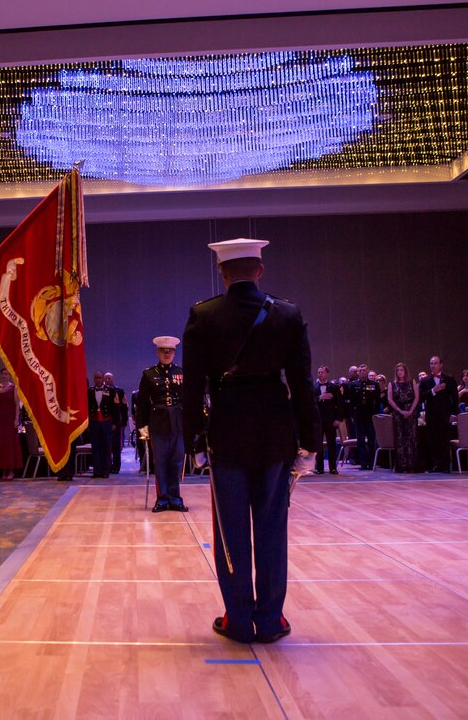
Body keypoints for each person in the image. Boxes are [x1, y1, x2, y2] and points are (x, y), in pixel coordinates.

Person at [182, 237, 319, 645]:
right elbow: (302, 384)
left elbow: (193, 389)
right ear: (259, 271)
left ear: (222, 272)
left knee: (232, 532)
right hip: (276, 435)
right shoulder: (288, 316)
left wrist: (193, 444)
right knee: (272, 529)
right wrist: (311, 442)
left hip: (227, 436)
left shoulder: (203, 316)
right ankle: (271, 619)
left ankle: (238, 618)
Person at [134, 336, 187, 513]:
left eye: (170, 350)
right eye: (163, 351)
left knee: (177, 461)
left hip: (178, 424)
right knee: (161, 462)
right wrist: (142, 425)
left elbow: (187, 400)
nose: (167, 353)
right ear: (158, 352)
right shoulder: (149, 374)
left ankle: (175, 498)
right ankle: (162, 499)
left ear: (174, 352)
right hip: (158, 424)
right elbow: (142, 403)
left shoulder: (181, 372)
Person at [420, 356, 458, 473]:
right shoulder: (425, 380)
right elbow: (421, 396)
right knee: (433, 439)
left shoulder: (449, 378)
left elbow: (455, 397)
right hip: (431, 414)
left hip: (445, 414)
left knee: (444, 439)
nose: (433, 366)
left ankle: (446, 465)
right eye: (431, 363)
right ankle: (435, 464)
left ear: (441, 364)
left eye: (435, 363)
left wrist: (453, 413)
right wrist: (433, 391)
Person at [0, 367, 22, 480]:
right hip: (0, 420)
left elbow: (17, 405)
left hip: (10, 419)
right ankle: (3, 469)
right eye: (3, 374)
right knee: (1, 445)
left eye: (6, 374)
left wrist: (17, 419)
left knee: (10, 445)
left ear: (9, 375)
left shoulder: (14, 388)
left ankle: (11, 470)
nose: (4, 376)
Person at [388, 363, 420, 472]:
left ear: (405, 371)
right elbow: (390, 399)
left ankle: (412, 465)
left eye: (402, 370)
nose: (400, 372)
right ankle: (402, 465)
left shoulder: (412, 382)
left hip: (411, 411)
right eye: (398, 370)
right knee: (400, 438)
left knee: (411, 438)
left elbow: (416, 397)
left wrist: (411, 410)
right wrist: (400, 410)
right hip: (398, 412)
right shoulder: (392, 384)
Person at [86, 370, 114, 478]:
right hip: (94, 422)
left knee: (106, 447)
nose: (98, 380)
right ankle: (96, 471)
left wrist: (114, 423)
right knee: (95, 447)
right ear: (94, 379)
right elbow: (87, 408)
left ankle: (105, 471)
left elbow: (114, 408)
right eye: (96, 378)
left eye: (100, 378)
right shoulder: (90, 391)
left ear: (103, 379)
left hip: (106, 421)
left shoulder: (110, 390)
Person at [313, 365, 340, 475]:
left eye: (322, 372)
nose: (320, 374)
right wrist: (320, 397)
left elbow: (339, 404)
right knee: (318, 445)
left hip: (330, 420)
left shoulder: (333, 387)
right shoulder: (314, 387)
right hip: (318, 420)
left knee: (331, 444)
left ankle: (333, 468)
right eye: (319, 372)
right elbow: (309, 402)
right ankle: (320, 468)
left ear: (327, 373)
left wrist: (338, 418)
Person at [104, 372, 128, 474]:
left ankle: (116, 466)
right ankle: (106, 465)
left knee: (116, 446)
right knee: (106, 445)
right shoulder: (102, 391)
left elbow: (124, 408)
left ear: (113, 379)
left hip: (116, 422)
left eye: (109, 378)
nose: (107, 380)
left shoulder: (119, 391)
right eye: (106, 379)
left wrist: (123, 422)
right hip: (105, 421)